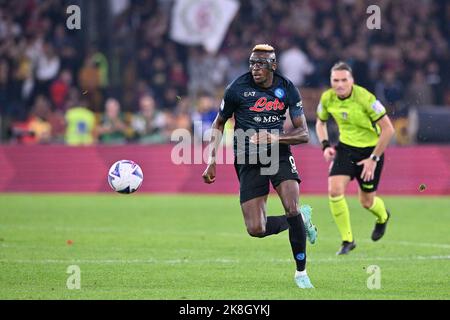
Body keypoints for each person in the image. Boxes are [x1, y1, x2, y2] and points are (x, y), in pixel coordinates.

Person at [202, 44, 317, 289]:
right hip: (247, 158)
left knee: (291, 206)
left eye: (261, 64)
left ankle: (301, 273)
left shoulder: (287, 89)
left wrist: (275, 138)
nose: (255, 68)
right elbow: (218, 123)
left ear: (273, 66)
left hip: (278, 153)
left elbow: (303, 133)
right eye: (252, 63)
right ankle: (299, 220)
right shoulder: (236, 88)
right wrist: (211, 159)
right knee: (256, 228)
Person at [315, 62, 395, 255]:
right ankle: (347, 240)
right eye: (336, 80)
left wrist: (373, 159)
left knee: (367, 202)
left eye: (344, 80)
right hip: (345, 149)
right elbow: (320, 122)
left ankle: (383, 217)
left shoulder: (366, 98)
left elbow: (388, 129)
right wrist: (325, 145)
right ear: (331, 81)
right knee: (334, 190)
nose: (340, 84)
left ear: (352, 81)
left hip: (371, 151)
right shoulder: (327, 98)